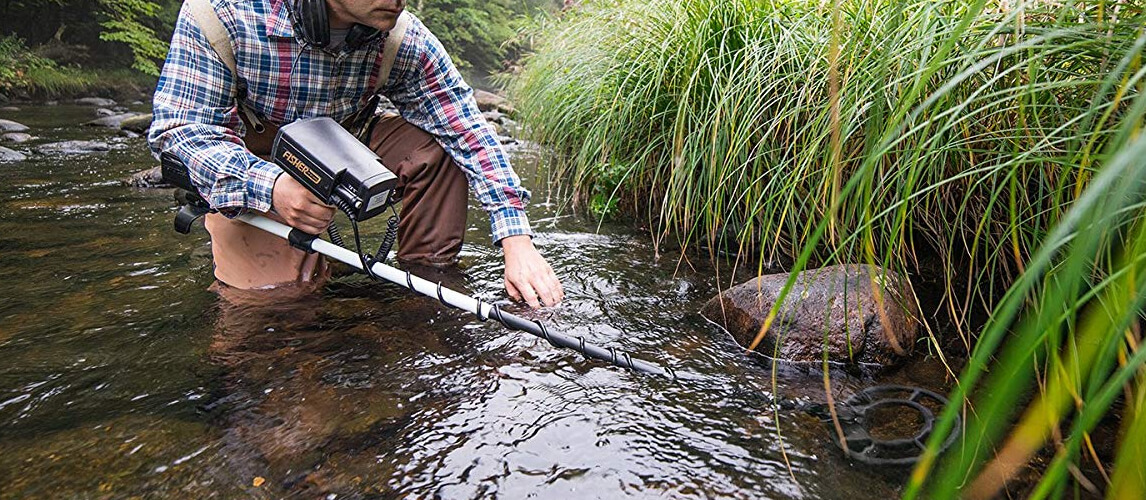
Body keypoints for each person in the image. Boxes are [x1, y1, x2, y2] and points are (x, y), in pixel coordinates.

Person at [148, 0, 563, 308]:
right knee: (277, 307)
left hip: (349, 152)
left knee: (439, 147)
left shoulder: (402, 38)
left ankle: (425, 288)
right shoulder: (222, 16)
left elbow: (467, 130)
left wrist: (517, 241)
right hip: (256, 172)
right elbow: (178, 131)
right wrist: (271, 188)